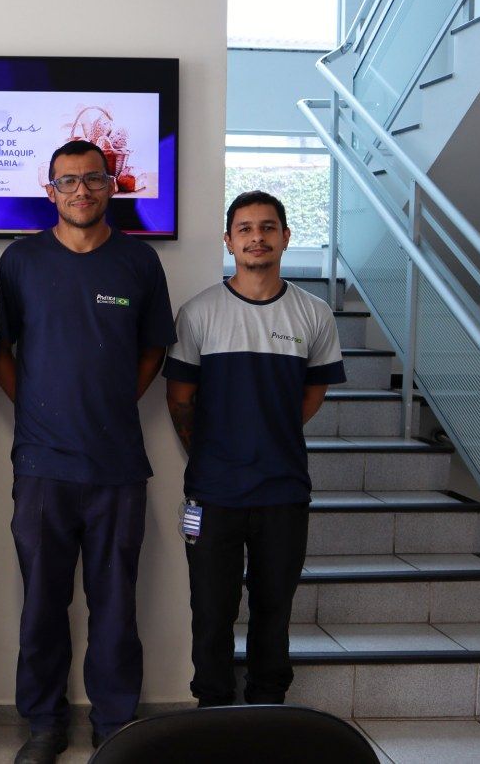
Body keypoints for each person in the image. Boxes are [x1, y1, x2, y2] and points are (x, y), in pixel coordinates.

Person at [0, 139, 175, 764]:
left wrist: (116, 403)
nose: (81, 191)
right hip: (42, 466)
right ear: (50, 191)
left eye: (93, 179)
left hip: (117, 466)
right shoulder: (20, 260)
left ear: (112, 185)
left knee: (116, 604)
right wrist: (34, 408)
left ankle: (115, 723)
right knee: (42, 605)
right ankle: (44, 724)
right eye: (67, 181)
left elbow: (153, 349)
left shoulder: (139, 262)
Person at [164, 190, 345, 708]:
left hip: (283, 491)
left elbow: (312, 394)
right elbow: (179, 399)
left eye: (267, 227)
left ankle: (268, 702)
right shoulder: (199, 313)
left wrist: (269, 433)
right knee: (211, 609)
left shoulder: (314, 314)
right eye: (244, 228)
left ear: (286, 237)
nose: (256, 237)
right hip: (211, 494)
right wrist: (213, 452)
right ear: (228, 240)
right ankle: (213, 704)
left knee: (274, 608)